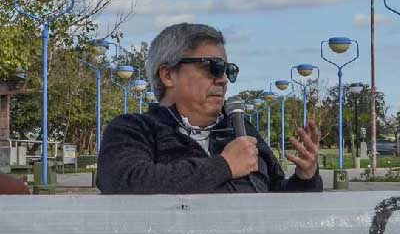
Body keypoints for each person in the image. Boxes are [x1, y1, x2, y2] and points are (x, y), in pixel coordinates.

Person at [97, 23, 322, 194]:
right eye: (213, 68)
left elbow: (277, 198)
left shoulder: (241, 130)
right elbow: (125, 181)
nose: (223, 80)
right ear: (167, 75)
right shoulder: (134, 129)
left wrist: (306, 178)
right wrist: (224, 165)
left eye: (228, 70)